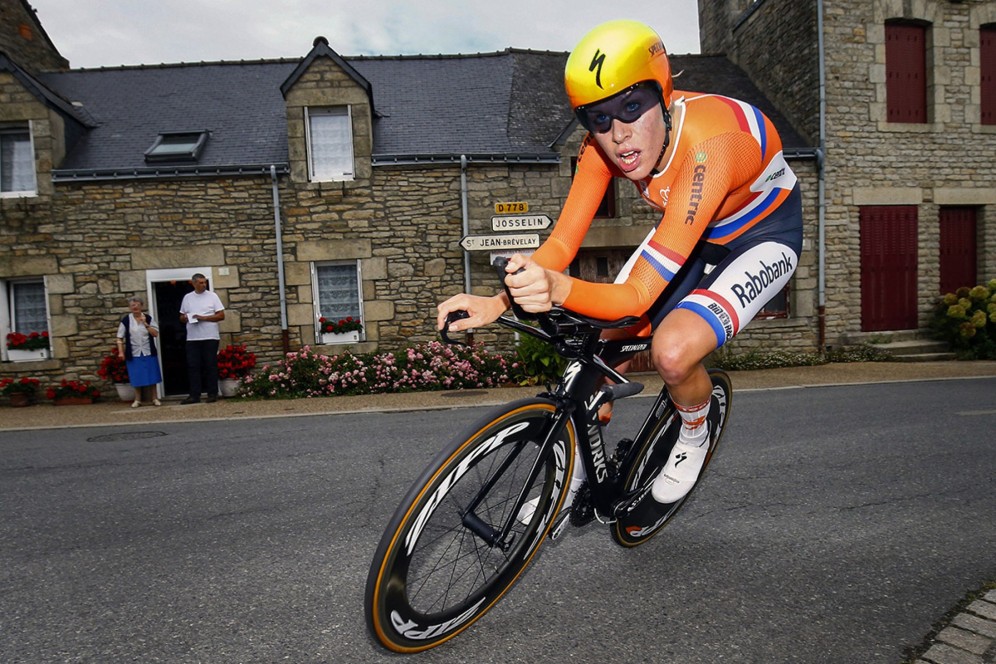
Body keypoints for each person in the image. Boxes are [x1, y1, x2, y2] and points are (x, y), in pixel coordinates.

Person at [437, 19, 803, 505]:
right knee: (599, 354)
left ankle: (695, 430)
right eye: (600, 118)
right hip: (690, 230)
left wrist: (558, 289)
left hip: (762, 238)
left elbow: (635, 297)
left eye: (632, 107)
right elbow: (562, 246)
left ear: (664, 96)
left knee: (672, 352)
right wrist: (499, 301)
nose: (620, 136)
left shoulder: (712, 145)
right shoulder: (600, 147)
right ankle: (579, 469)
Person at [178, 273, 226, 404]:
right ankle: (194, 395)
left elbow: (221, 315)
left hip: (210, 336)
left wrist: (204, 318)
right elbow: (181, 317)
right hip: (192, 338)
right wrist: (186, 317)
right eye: (200, 283)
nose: (204, 285)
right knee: (193, 366)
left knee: (210, 365)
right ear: (194, 283)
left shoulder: (212, 296)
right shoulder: (187, 297)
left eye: (205, 282)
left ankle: (212, 393)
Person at [116, 296, 162, 408]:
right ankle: (137, 400)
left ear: (141, 306)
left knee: (152, 375)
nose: (135, 307)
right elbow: (119, 337)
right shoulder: (126, 320)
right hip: (134, 352)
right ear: (129, 307)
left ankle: (154, 398)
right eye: (132, 305)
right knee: (136, 376)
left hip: (148, 351)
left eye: (137, 305)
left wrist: (146, 324)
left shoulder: (148, 318)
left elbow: (155, 334)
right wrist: (121, 352)